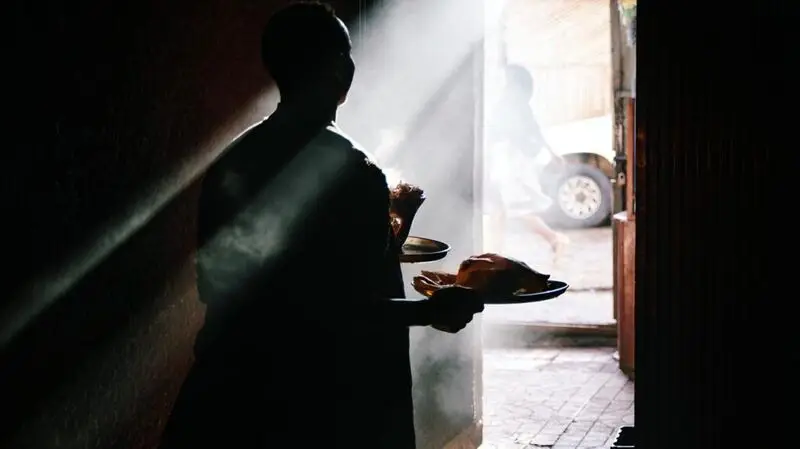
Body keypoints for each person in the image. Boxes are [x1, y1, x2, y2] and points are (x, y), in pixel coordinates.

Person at [157, 3, 484, 449]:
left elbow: (235, 284)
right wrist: (430, 311)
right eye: (346, 54)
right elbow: (343, 310)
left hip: (228, 395)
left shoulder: (232, 160)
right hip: (317, 405)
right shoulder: (353, 170)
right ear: (339, 72)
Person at [484, 63, 570, 260]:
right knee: (500, 210)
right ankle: (494, 254)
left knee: (514, 208)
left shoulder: (509, 104)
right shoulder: (517, 103)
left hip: (511, 161)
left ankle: (554, 239)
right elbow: (535, 131)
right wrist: (552, 153)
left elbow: (502, 133)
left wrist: (552, 153)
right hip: (511, 159)